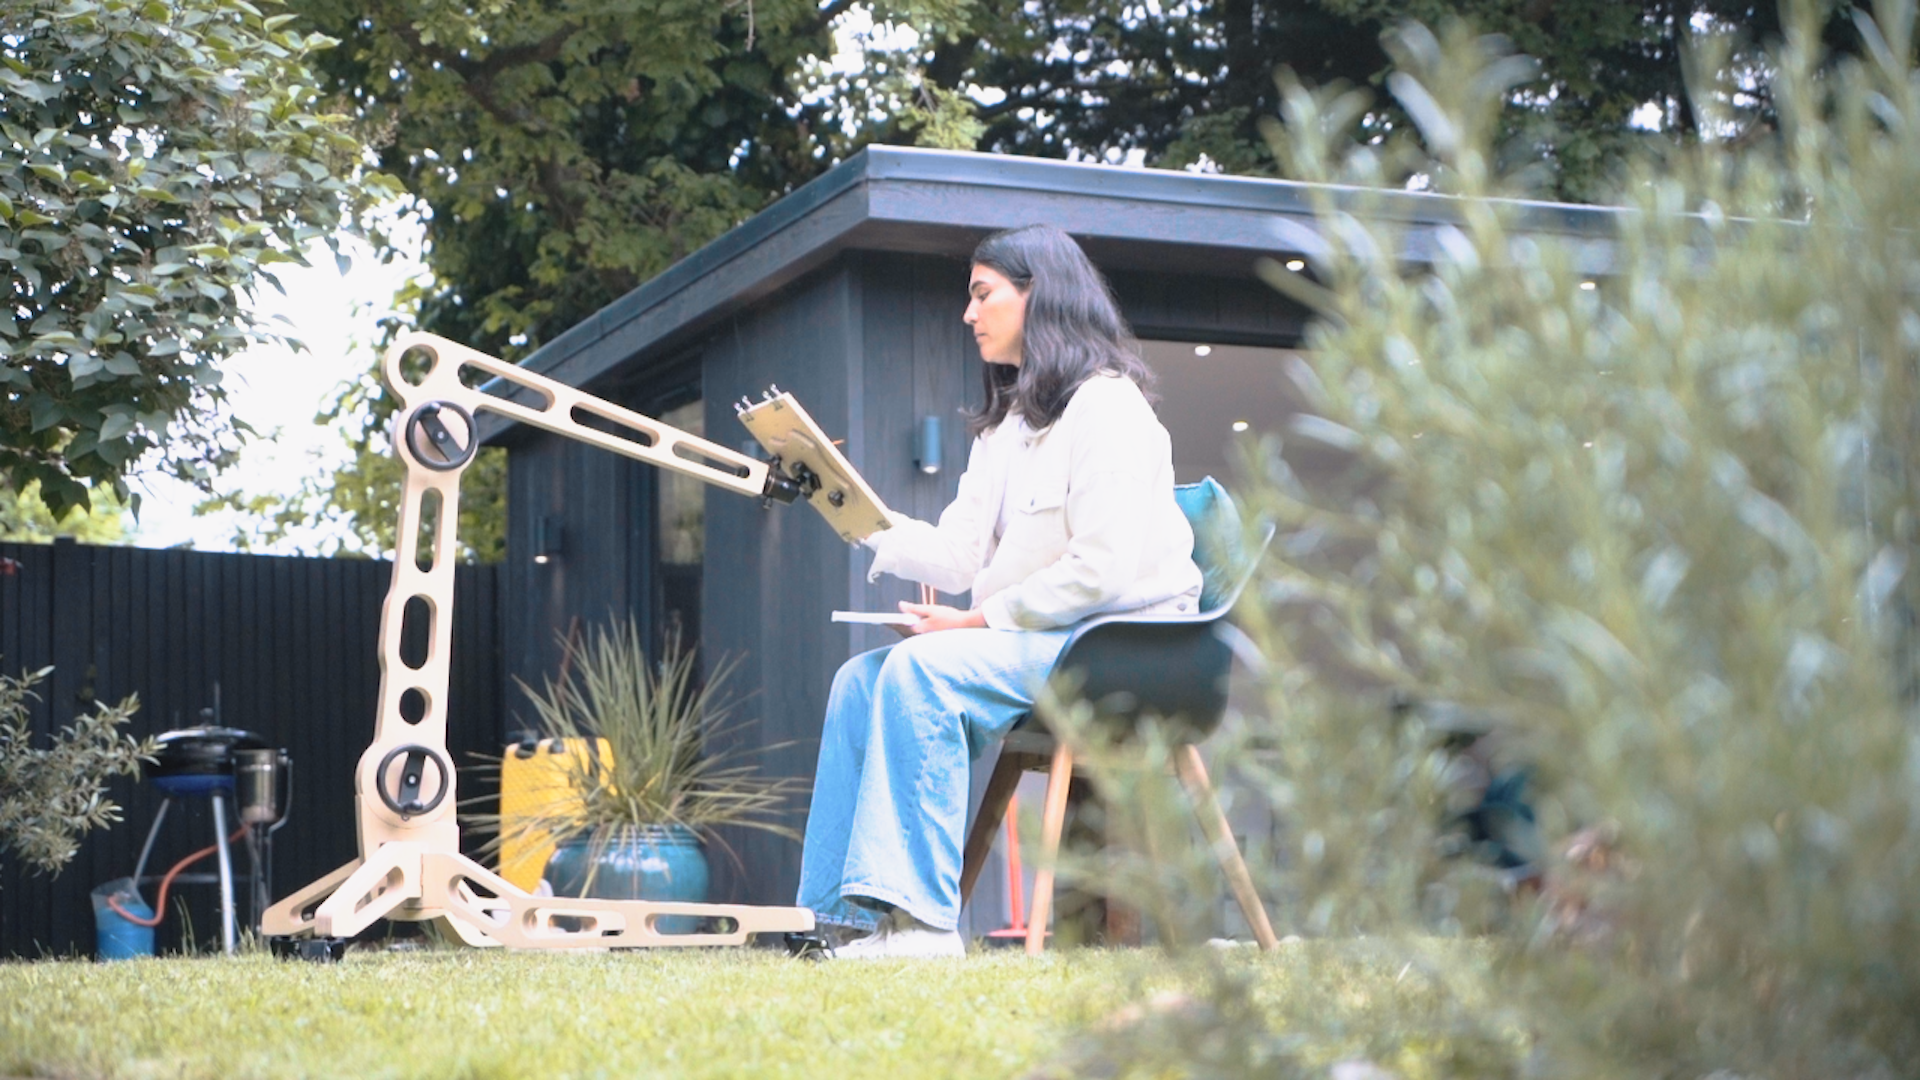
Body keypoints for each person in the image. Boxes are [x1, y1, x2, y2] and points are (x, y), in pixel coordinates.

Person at [796, 223, 1203, 959]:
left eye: (983, 294)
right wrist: (843, 505)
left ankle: (920, 926)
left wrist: (977, 621)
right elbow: (957, 551)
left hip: (1122, 646)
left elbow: (1102, 569)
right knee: (860, 680)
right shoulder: (1008, 427)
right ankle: (841, 922)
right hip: (1042, 638)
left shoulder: (1110, 410)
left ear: (1037, 297)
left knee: (923, 670)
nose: (968, 314)